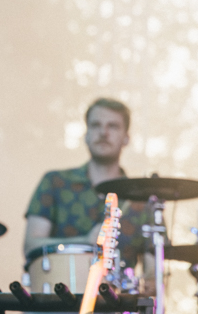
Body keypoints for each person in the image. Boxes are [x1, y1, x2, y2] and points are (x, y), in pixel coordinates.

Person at [23, 98, 153, 276]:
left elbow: (153, 271)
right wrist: (83, 241)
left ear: (126, 138)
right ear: (86, 134)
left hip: (120, 302)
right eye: (96, 125)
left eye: (113, 126)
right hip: (59, 299)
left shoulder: (143, 200)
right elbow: (31, 245)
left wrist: (153, 279)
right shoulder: (54, 182)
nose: (103, 132)